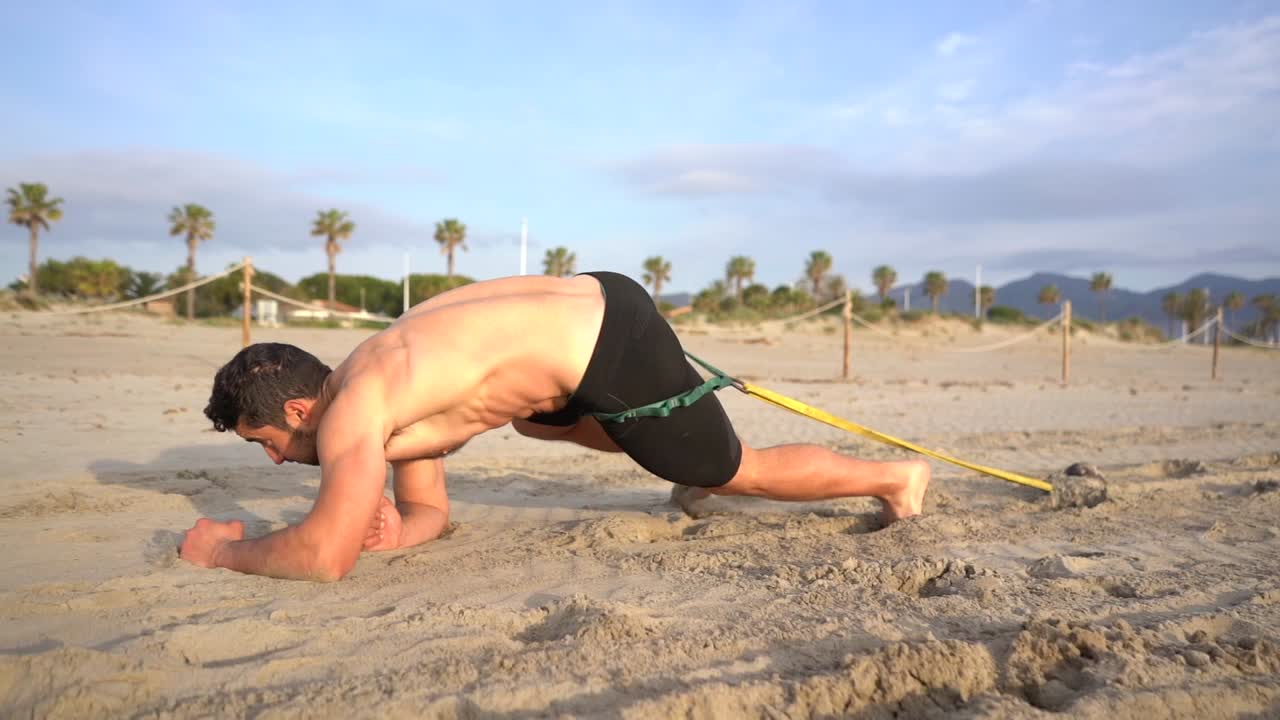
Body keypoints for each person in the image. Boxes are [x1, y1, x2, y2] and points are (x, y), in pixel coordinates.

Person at [182, 272, 929, 581]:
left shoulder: (353, 413)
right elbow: (429, 510)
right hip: (594, 302)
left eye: (268, 444)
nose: (277, 463)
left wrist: (225, 548)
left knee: (734, 471)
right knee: (536, 423)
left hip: (607, 341)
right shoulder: (375, 380)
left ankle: (894, 479)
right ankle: (677, 442)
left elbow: (322, 558)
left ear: (297, 410)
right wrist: (396, 531)